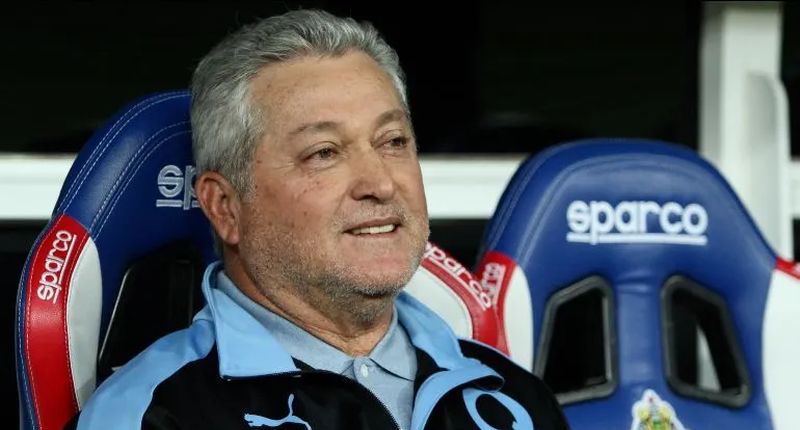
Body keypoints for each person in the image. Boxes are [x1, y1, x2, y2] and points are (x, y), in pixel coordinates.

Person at [73, 9, 568, 430]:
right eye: (324, 152)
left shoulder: (514, 396)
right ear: (225, 206)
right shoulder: (153, 415)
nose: (380, 183)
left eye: (393, 142)